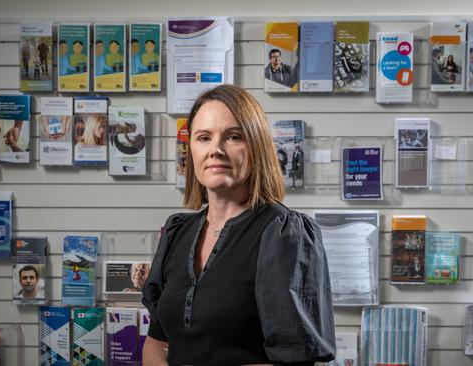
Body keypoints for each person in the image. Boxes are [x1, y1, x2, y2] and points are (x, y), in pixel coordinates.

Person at [142, 85, 335, 365]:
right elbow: (157, 344)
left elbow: (295, 361)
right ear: (191, 149)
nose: (215, 150)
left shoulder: (283, 233)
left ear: (256, 146)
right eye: (204, 138)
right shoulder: (177, 232)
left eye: (233, 137)